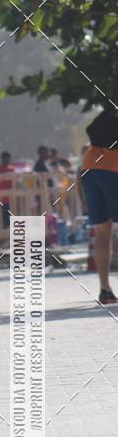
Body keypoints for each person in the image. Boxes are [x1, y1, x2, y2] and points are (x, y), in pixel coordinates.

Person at [80, 108, 118, 304]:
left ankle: (105, 290)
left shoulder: (109, 112)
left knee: (102, 233)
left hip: (89, 168)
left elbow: (90, 130)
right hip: (113, 168)